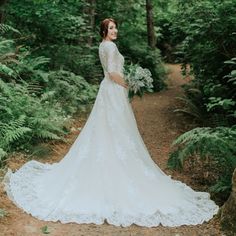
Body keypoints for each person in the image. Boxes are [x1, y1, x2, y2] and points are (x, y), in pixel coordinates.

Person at [2, 18, 219, 227]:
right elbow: (114, 74)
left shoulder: (102, 46)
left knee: (107, 128)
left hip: (108, 91)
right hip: (114, 89)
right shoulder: (110, 48)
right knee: (117, 128)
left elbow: (109, 72)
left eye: (115, 28)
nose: (115, 31)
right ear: (104, 31)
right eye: (111, 28)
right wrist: (131, 84)